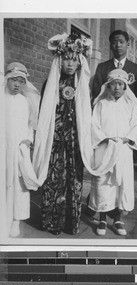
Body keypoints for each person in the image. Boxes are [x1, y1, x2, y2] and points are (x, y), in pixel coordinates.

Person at [32, 33, 94, 236]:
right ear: (60, 60)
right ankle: (52, 222)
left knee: (73, 180)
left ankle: (70, 223)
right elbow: (44, 114)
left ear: (80, 63)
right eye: (66, 58)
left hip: (74, 140)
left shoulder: (82, 87)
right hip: (56, 139)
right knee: (54, 179)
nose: (70, 64)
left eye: (74, 60)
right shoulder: (50, 85)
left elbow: (85, 115)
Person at [89, 69, 137, 236]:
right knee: (104, 181)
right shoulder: (101, 105)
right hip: (105, 147)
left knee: (120, 183)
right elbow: (93, 125)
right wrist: (104, 138)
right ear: (108, 85)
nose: (116, 87)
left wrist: (126, 139)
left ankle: (117, 219)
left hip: (123, 149)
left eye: (120, 84)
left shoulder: (130, 106)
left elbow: (136, 126)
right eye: (113, 84)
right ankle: (102, 217)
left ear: (125, 86)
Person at [4, 62, 40, 237]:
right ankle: (4, 216)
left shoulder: (25, 102)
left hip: (19, 148)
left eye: (20, 81)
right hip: (3, 149)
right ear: (7, 80)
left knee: (18, 185)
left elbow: (30, 125)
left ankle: (16, 220)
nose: (16, 84)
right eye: (13, 80)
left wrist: (28, 140)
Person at [91, 30, 137, 104]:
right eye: (114, 42)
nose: (118, 45)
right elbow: (96, 93)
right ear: (110, 46)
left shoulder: (135, 68)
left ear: (128, 44)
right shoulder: (102, 67)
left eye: (121, 42)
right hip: (107, 109)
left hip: (128, 110)